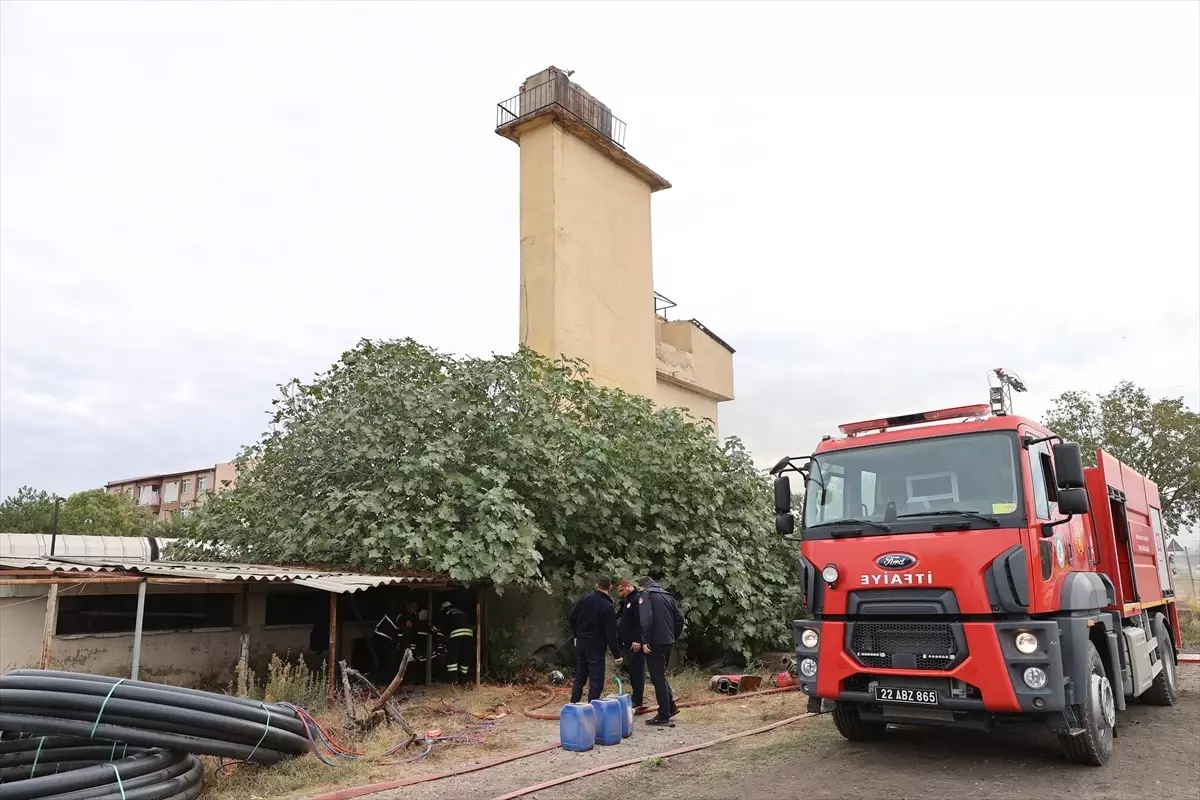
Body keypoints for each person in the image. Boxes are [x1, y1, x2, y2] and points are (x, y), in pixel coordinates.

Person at [637, 576, 684, 726]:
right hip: (667, 641)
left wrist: (645, 641)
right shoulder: (667, 596)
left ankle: (663, 715)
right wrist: (672, 635)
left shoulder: (646, 595)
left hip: (654, 643)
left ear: (641, 586)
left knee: (657, 678)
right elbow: (679, 619)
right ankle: (671, 707)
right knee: (661, 676)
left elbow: (645, 620)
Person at [568, 576, 620, 704]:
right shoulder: (607, 606)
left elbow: (572, 617)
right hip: (596, 646)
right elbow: (611, 633)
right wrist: (617, 654)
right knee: (596, 679)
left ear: (596, 585)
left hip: (581, 643)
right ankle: (593, 706)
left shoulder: (585, 599)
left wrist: (576, 636)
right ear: (610, 587)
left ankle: (574, 703)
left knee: (580, 676)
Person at [616, 577, 648, 710]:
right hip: (628, 642)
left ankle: (638, 698)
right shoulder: (628, 600)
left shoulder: (637, 598)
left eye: (621, 590)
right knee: (632, 670)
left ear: (628, 586)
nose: (620, 593)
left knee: (637, 670)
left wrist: (637, 639)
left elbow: (639, 621)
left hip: (636, 642)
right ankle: (636, 696)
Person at [438, 599, 474, 685]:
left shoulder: (447, 612)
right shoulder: (460, 611)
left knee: (452, 657)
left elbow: (440, 625)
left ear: (444, 608)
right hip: (469, 635)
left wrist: (432, 630)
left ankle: (453, 680)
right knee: (465, 656)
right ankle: (463, 678)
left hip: (456, 635)